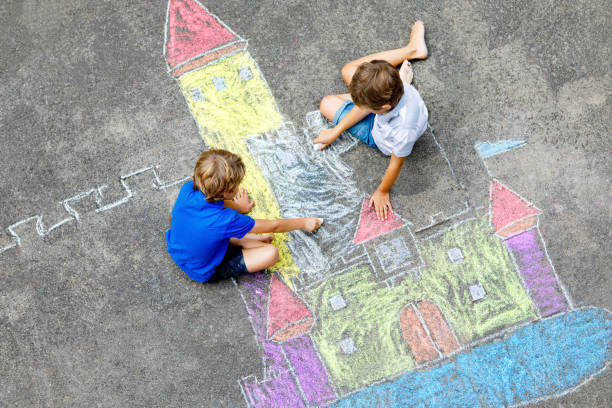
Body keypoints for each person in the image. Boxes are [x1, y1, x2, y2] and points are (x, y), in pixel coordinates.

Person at [314, 21, 429, 221]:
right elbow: (365, 106)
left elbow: (396, 164)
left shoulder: (404, 131)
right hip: (392, 103)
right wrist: (336, 131)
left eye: (366, 104)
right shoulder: (394, 83)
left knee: (327, 104)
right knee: (349, 70)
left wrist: (382, 191)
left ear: (383, 107)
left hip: (380, 135)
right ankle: (413, 50)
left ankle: (364, 95)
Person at [166, 149, 322, 283]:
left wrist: (239, 207)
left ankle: (245, 240)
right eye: (236, 186)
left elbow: (216, 201)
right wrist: (304, 223)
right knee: (271, 253)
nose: (238, 186)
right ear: (225, 192)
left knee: (216, 229)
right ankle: (244, 241)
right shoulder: (226, 219)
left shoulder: (188, 189)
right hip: (202, 270)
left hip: (177, 247)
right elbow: (275, 225)